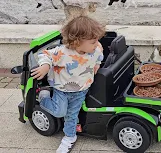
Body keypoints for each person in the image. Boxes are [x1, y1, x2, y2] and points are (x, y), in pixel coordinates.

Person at [31, 16, 105, 153]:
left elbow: (100, 53)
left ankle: (70, 137)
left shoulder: (94, 50)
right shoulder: (62, 52)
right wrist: (46, 66)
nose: (97, 44)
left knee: (71, 115)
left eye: (96, 41)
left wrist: (97, 64)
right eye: (93, 41)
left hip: (81, 91)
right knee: (59, 112)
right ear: (77, 42)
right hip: (61, 90)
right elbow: (45, 54)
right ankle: (44, 98)